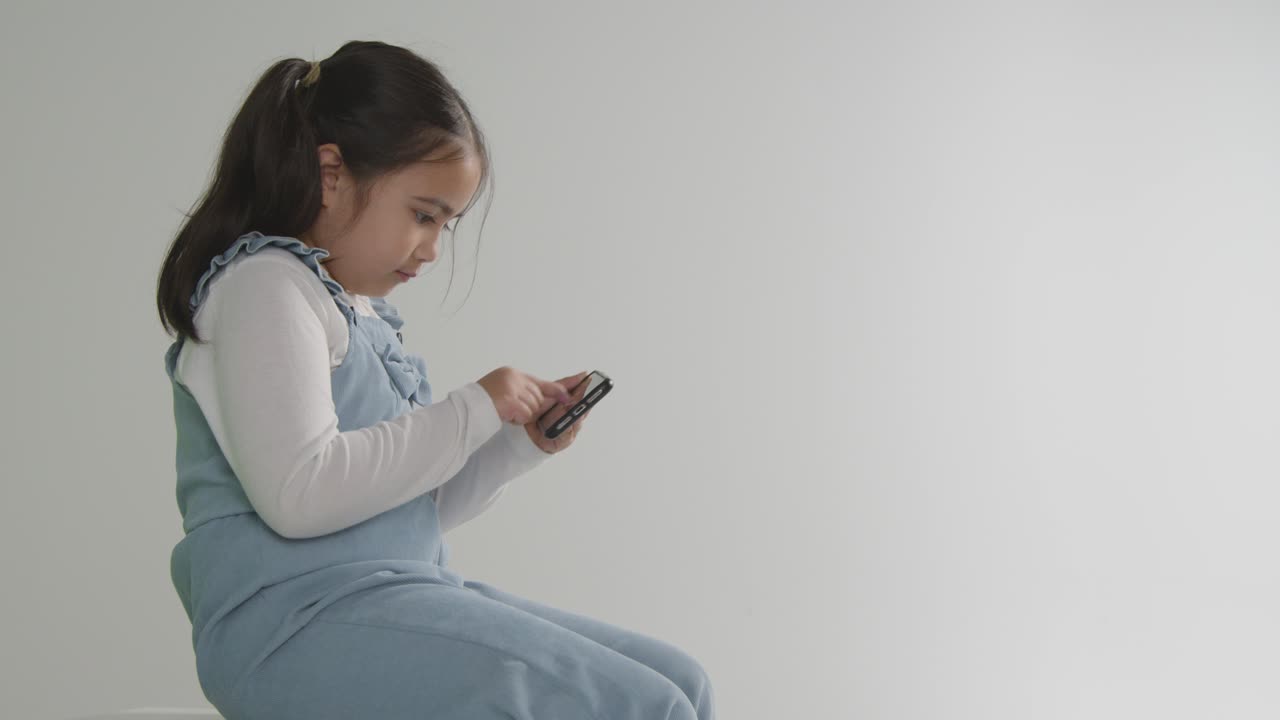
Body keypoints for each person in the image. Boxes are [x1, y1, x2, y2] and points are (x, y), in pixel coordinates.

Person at [155, 40, 715, 720]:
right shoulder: (265, 288)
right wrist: (474, 407)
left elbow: (401, 510)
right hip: (290, 629)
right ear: (330, 173)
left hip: (388, 596)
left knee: (682, 681)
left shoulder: (352, 312)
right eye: (423, 215)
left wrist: (516, 446)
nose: (432, 248)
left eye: (446, 224)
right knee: (646, 705)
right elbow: (298, 495)